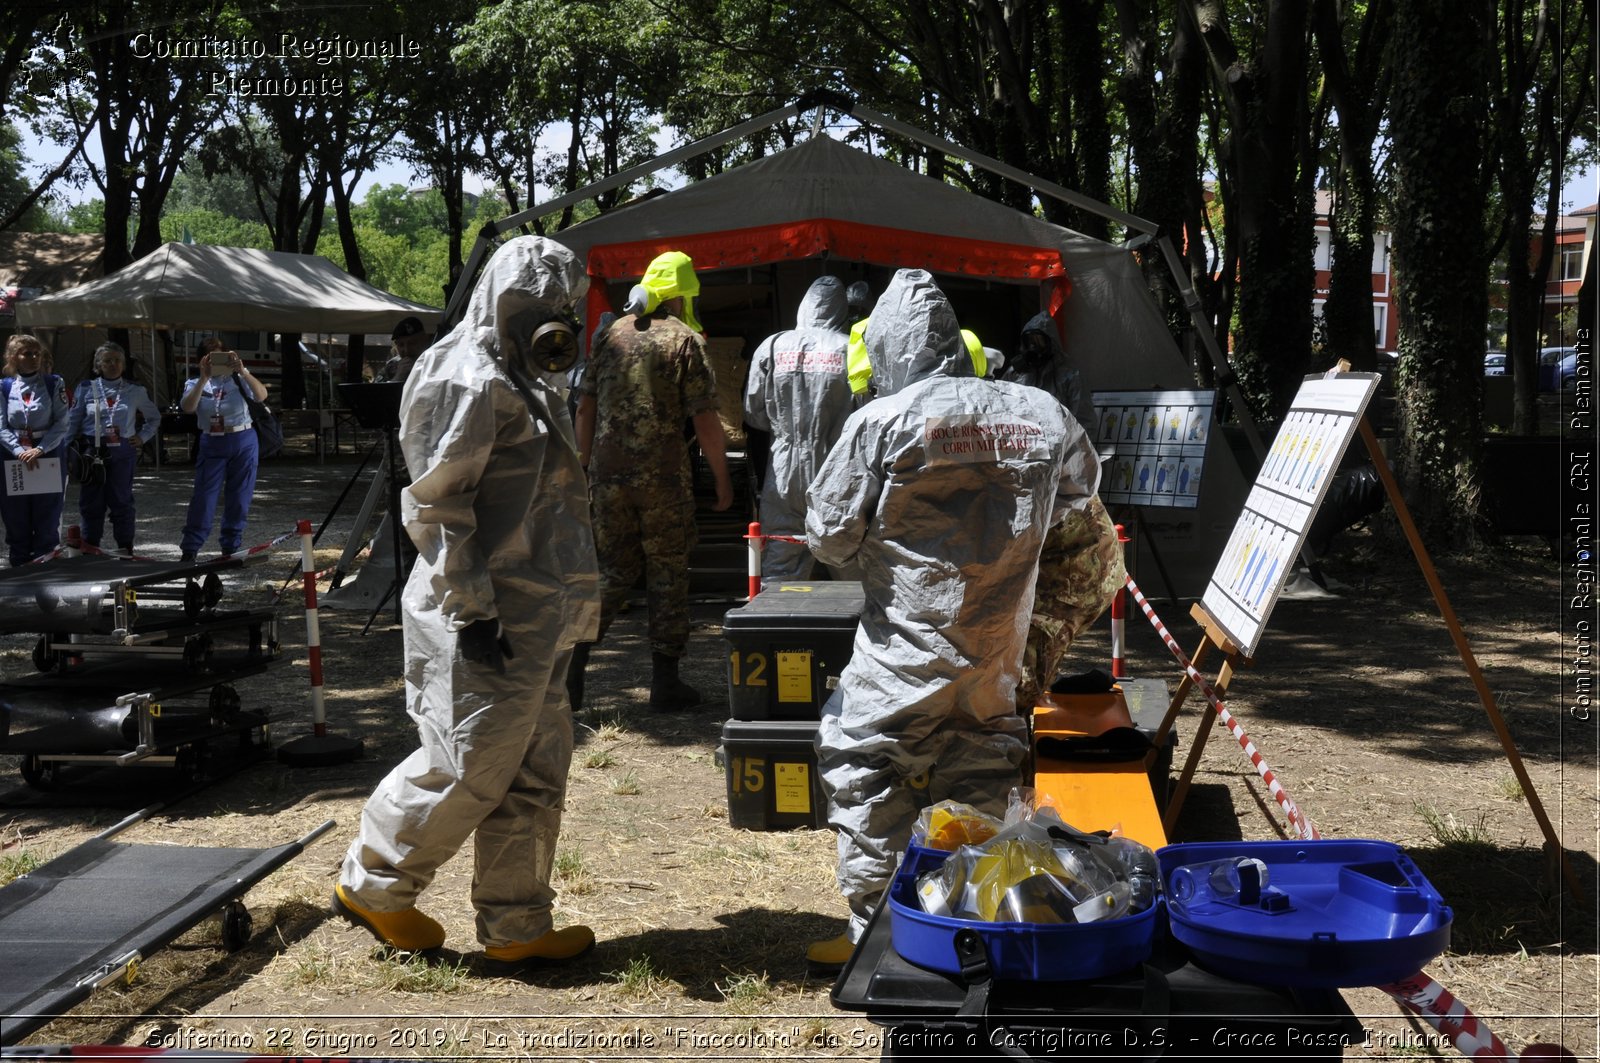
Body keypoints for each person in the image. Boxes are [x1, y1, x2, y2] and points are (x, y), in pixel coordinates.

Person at [802, 269, 1103, 966]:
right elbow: (1082, 492)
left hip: (900, 658)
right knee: (978, 777)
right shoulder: (1040, 411)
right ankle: (970, 934)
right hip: (995, 655)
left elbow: (827, 534)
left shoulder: (880, 422)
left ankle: (872, 938)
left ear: (886, 349)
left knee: (866, 771)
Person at [334, 235, 600, 964]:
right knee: (468, 762)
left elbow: (543, 508)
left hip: (538, 610)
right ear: (501, 298)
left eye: (564, 306)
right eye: (539, 305)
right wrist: (474, 608)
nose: (554, 320)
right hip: (481, 611)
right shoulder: (464, 375)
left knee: (535, 769)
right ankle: (376, 883)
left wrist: (571, 616)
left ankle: (518, 924)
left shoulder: (526, 375)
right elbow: (438, 509)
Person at [570, 251, 733, 713]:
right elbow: (704, 418)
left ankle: (572, 669)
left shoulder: (606, 336)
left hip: (606, 478)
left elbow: (585, 408)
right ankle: (665, 682)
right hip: (662, 478)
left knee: (613, 572)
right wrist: (723, 479)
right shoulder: (685, 341)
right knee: (667, 571)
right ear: (681, 294)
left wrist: (585, 469)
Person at [742, 275, 853, 580]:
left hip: (783, 467)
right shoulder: (852, 348)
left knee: (780, 554)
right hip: (837, 466)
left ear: (805, 306)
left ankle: (774, 623)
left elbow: (753, 414)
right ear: (841, 311)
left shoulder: (773, 346)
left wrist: (785, 430)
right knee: (846, 553)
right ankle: (857, 624)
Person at [177, 339, 268, 560]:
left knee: (239, 495)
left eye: (220, 356)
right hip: (212, 440)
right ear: (202, 359)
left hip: (243, 438)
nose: (216, 361)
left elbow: (261, 396)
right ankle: (191, 547)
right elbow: (187, 407)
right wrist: (204, 377)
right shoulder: (195, 382)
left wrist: (243, 370)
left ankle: (231, 545)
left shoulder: (238, 379)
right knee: (204, 496)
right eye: (210, 356)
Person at [67, 342, 160, 556]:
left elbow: (154, 418)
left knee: (122, 501)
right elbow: (73, 422)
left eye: (117, 360)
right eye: (107, 360)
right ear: (97, 365)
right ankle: (91, 548)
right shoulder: (85, 388)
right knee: (92, 502)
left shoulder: (135, 390)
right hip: (92, 451)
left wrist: (143, 436)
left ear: (124, 364)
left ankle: (125, 548)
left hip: (121, 451)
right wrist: (65, 452)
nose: (113, 364)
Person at [0, 334, 70, 566]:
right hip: (14, 455)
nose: (33, 358)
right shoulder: (4, 387)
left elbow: (62, 423)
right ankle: (20, 567)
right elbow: (1, 426)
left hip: (46, 453)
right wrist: (19, 450)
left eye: (37, 353)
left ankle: (46, 568)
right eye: (27, 353)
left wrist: (40, 449)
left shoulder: (53, 383)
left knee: (47, 514)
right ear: (14, 357)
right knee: (15, 514)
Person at [1002, 311, 1096, 431]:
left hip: (1058, 443)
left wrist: (1075, 448)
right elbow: (1000, 409)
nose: (1033, 347)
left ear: (1051, 343)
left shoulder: (1069, 376)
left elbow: (1084, 420)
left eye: (1038, 342)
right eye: (1029, 341)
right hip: (1023, 441)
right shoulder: (1016, 374)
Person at [382, 316, 431, 382]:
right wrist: (398, 377)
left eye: (412, 343)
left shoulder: (436, 362)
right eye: (401, 345)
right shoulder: (391, 367)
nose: (406, 350)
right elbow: (377, 391)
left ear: (425, 341)